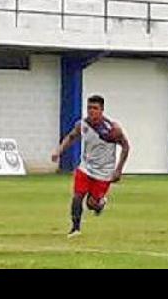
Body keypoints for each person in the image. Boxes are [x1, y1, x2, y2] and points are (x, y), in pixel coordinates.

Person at [50, 95, 130, 237]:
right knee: (77, 196)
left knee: (91, 204)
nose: (91, 111)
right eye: (89, 108)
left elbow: (126, 147)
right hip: (85, 167)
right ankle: (75, 229)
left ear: (102, 110)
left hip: (104, 172)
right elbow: (71, 137)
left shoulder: (112, 129)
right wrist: (59, 151)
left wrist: (118, 170)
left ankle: (100, 203)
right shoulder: (82, 124)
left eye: (95, 108)